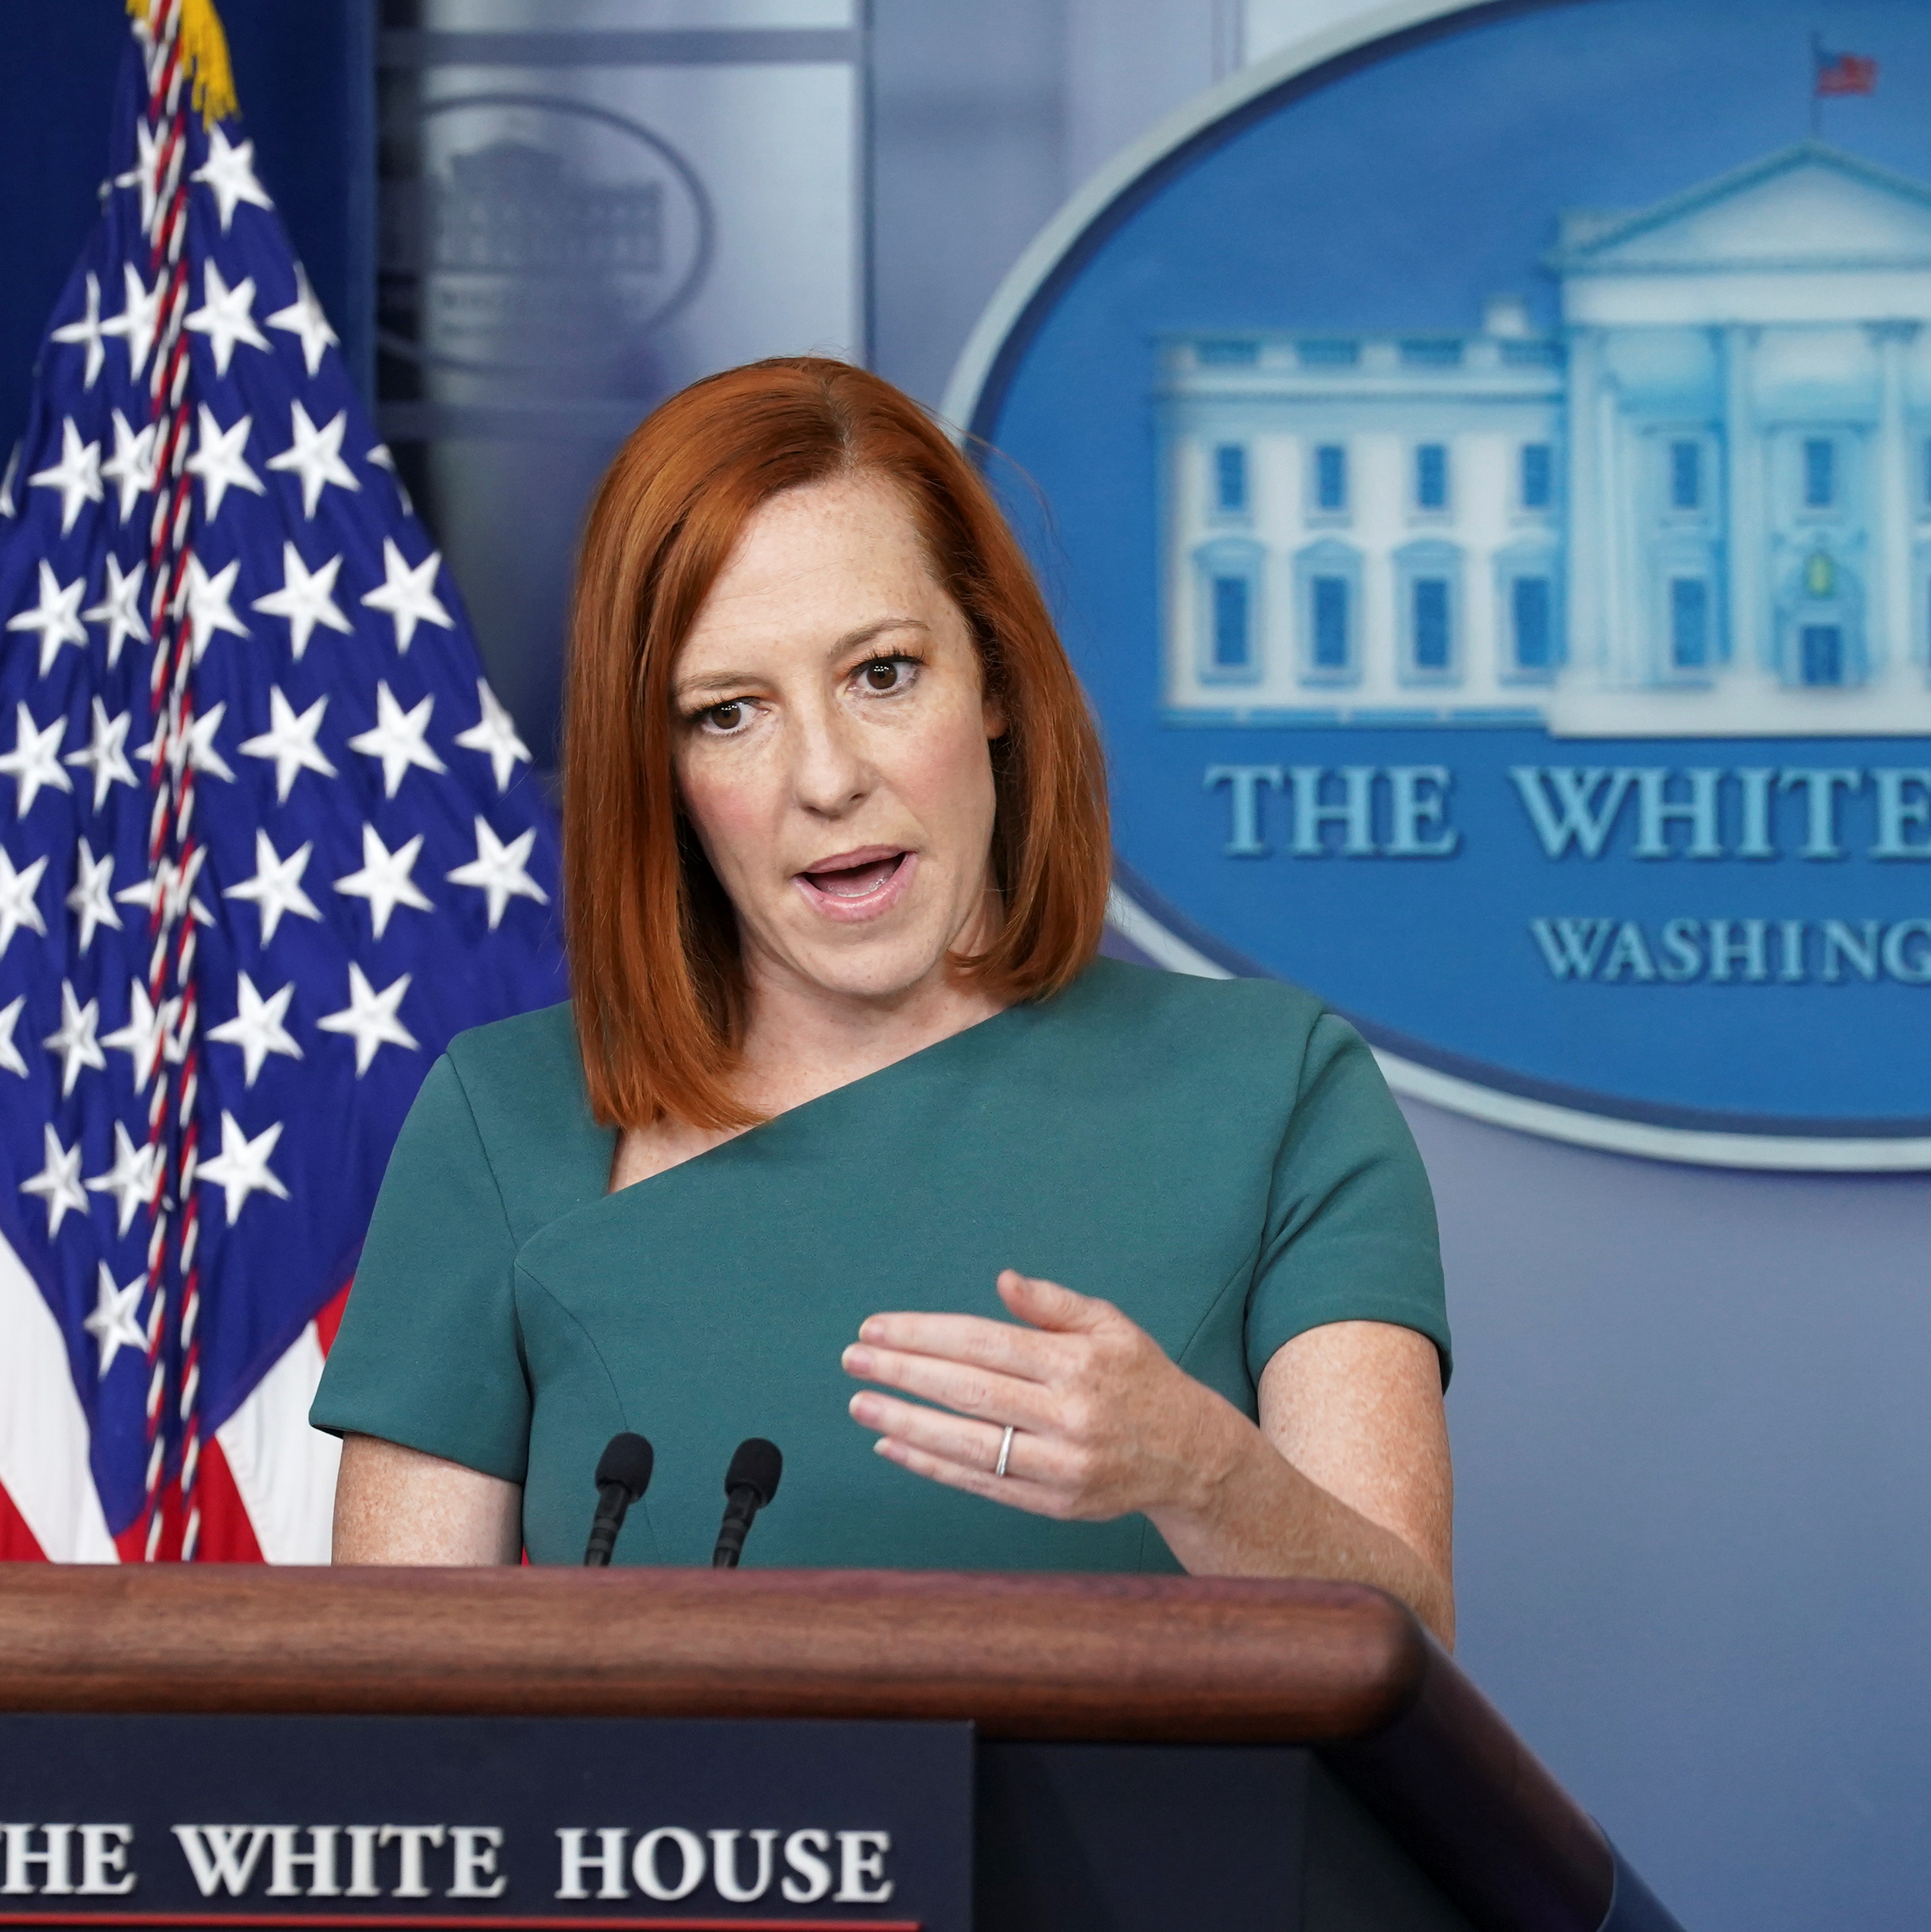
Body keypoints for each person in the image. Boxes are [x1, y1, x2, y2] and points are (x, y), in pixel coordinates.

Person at [311, 358, 1457, 1639]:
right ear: (662, 771)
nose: (826, 776)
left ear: (1000, 683)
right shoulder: (505, 1118)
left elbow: (1407, 1649)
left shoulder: (1277, 1089)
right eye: (730, 711)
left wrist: (1208, 1476)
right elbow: (389, 1721)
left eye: (883, 674)